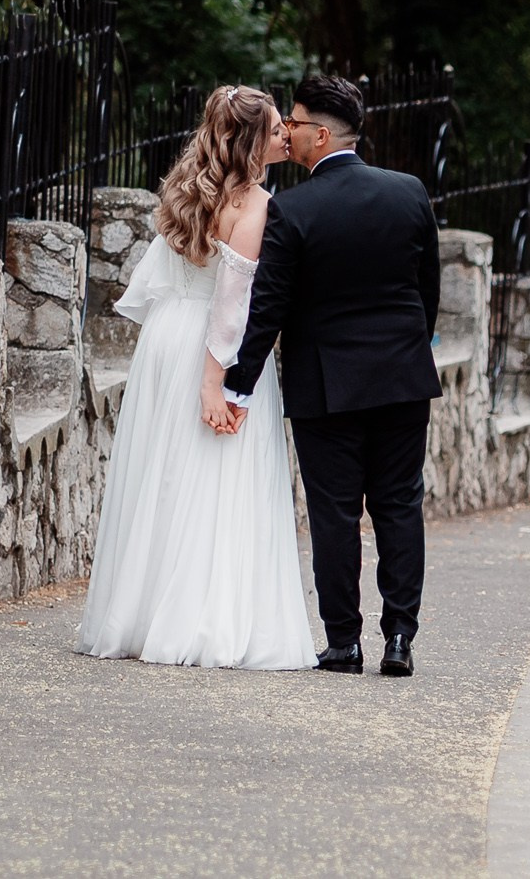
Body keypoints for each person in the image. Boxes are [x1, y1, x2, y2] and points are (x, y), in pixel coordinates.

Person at [75, 86, 316, 670]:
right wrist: (215, 384)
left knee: (164, 471)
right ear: (252, 142)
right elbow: (231, 306)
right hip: (210, 347)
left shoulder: (188, 186)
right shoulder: (255, 206)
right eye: (276, 128)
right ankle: (196, 620)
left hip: (166, 335)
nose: (287, 135)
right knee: (211, 475)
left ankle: (143, 611)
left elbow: (156, 278)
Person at [220, 75, 442, 677]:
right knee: (400, 504)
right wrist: (405, 351)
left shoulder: (293, 210)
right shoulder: (409, 193)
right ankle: (400, 638)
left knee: (334, 513)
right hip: (402, 379)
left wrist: (237, 383)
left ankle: (344, 642)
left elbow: (269, 309)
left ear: (320, 135)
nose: (286, 132)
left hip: (326, 385)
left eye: (292, 123)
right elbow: (427, 293)